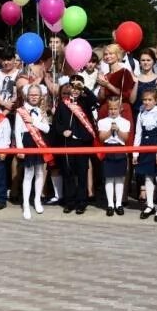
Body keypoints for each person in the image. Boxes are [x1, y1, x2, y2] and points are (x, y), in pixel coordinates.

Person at [54, 78, 97, 214]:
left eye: (78, 88)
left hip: (82, 142)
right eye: (73, 87)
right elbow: (56, 123)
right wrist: (62, 131)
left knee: (82, 173)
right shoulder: (63, 104)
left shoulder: (84, 102)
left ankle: (81, 202)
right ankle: (70, 202)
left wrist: (84, 87)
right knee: (68, 173)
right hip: (68, 143)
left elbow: (94, 99)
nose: (75, 90)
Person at [14, 83, 51, 220]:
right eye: (31, 94)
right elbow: (17, 131)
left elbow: (47, 129)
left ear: (40, 96)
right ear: (26, 96)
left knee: (40, 172)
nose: (34, 97)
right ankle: (25, 205)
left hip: (39, 142)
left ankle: (37, 200)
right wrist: (19, 148)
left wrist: (33, 120)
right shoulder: (20, 111)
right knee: (28, 174)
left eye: (36, 94)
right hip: (27, 142)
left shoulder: (41, 111)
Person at [132, 88, 157, 221]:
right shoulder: (141, 114)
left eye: (150, 100)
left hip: (156, 146)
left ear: (156, 100)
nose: (147, 102)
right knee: (148, 177)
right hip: (144, 147)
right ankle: (150, 204)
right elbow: (138, 134)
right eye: (145, 100)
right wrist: (135, 153)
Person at [97, 93, 131, 216]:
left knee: (120, 178)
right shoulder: (102, 122)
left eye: (115, 108)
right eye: (110, 108)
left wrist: (118, 130)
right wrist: (110, 130)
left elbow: (125, 138)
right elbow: (101, 137)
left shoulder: (125, 122)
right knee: (109, 178)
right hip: (108, 149)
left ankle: (119, 204)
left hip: (120, 149)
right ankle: (110, 204)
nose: (112, 111)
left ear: (120, 108)